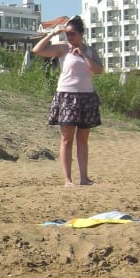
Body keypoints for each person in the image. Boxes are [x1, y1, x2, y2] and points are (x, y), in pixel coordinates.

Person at [32, 16, 104, 187]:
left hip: (86, 96)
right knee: (67, 139)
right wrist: (52, 33)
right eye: (67, 34)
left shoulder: (90, 51)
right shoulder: (64, 49)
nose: (69, 38)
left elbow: (98, 70)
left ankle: (84, 178)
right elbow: (37, 50)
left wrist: (84, 55)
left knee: (83, 139)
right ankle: (67, 179)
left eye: (72, 34)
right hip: (67, 96)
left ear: (81, 34)